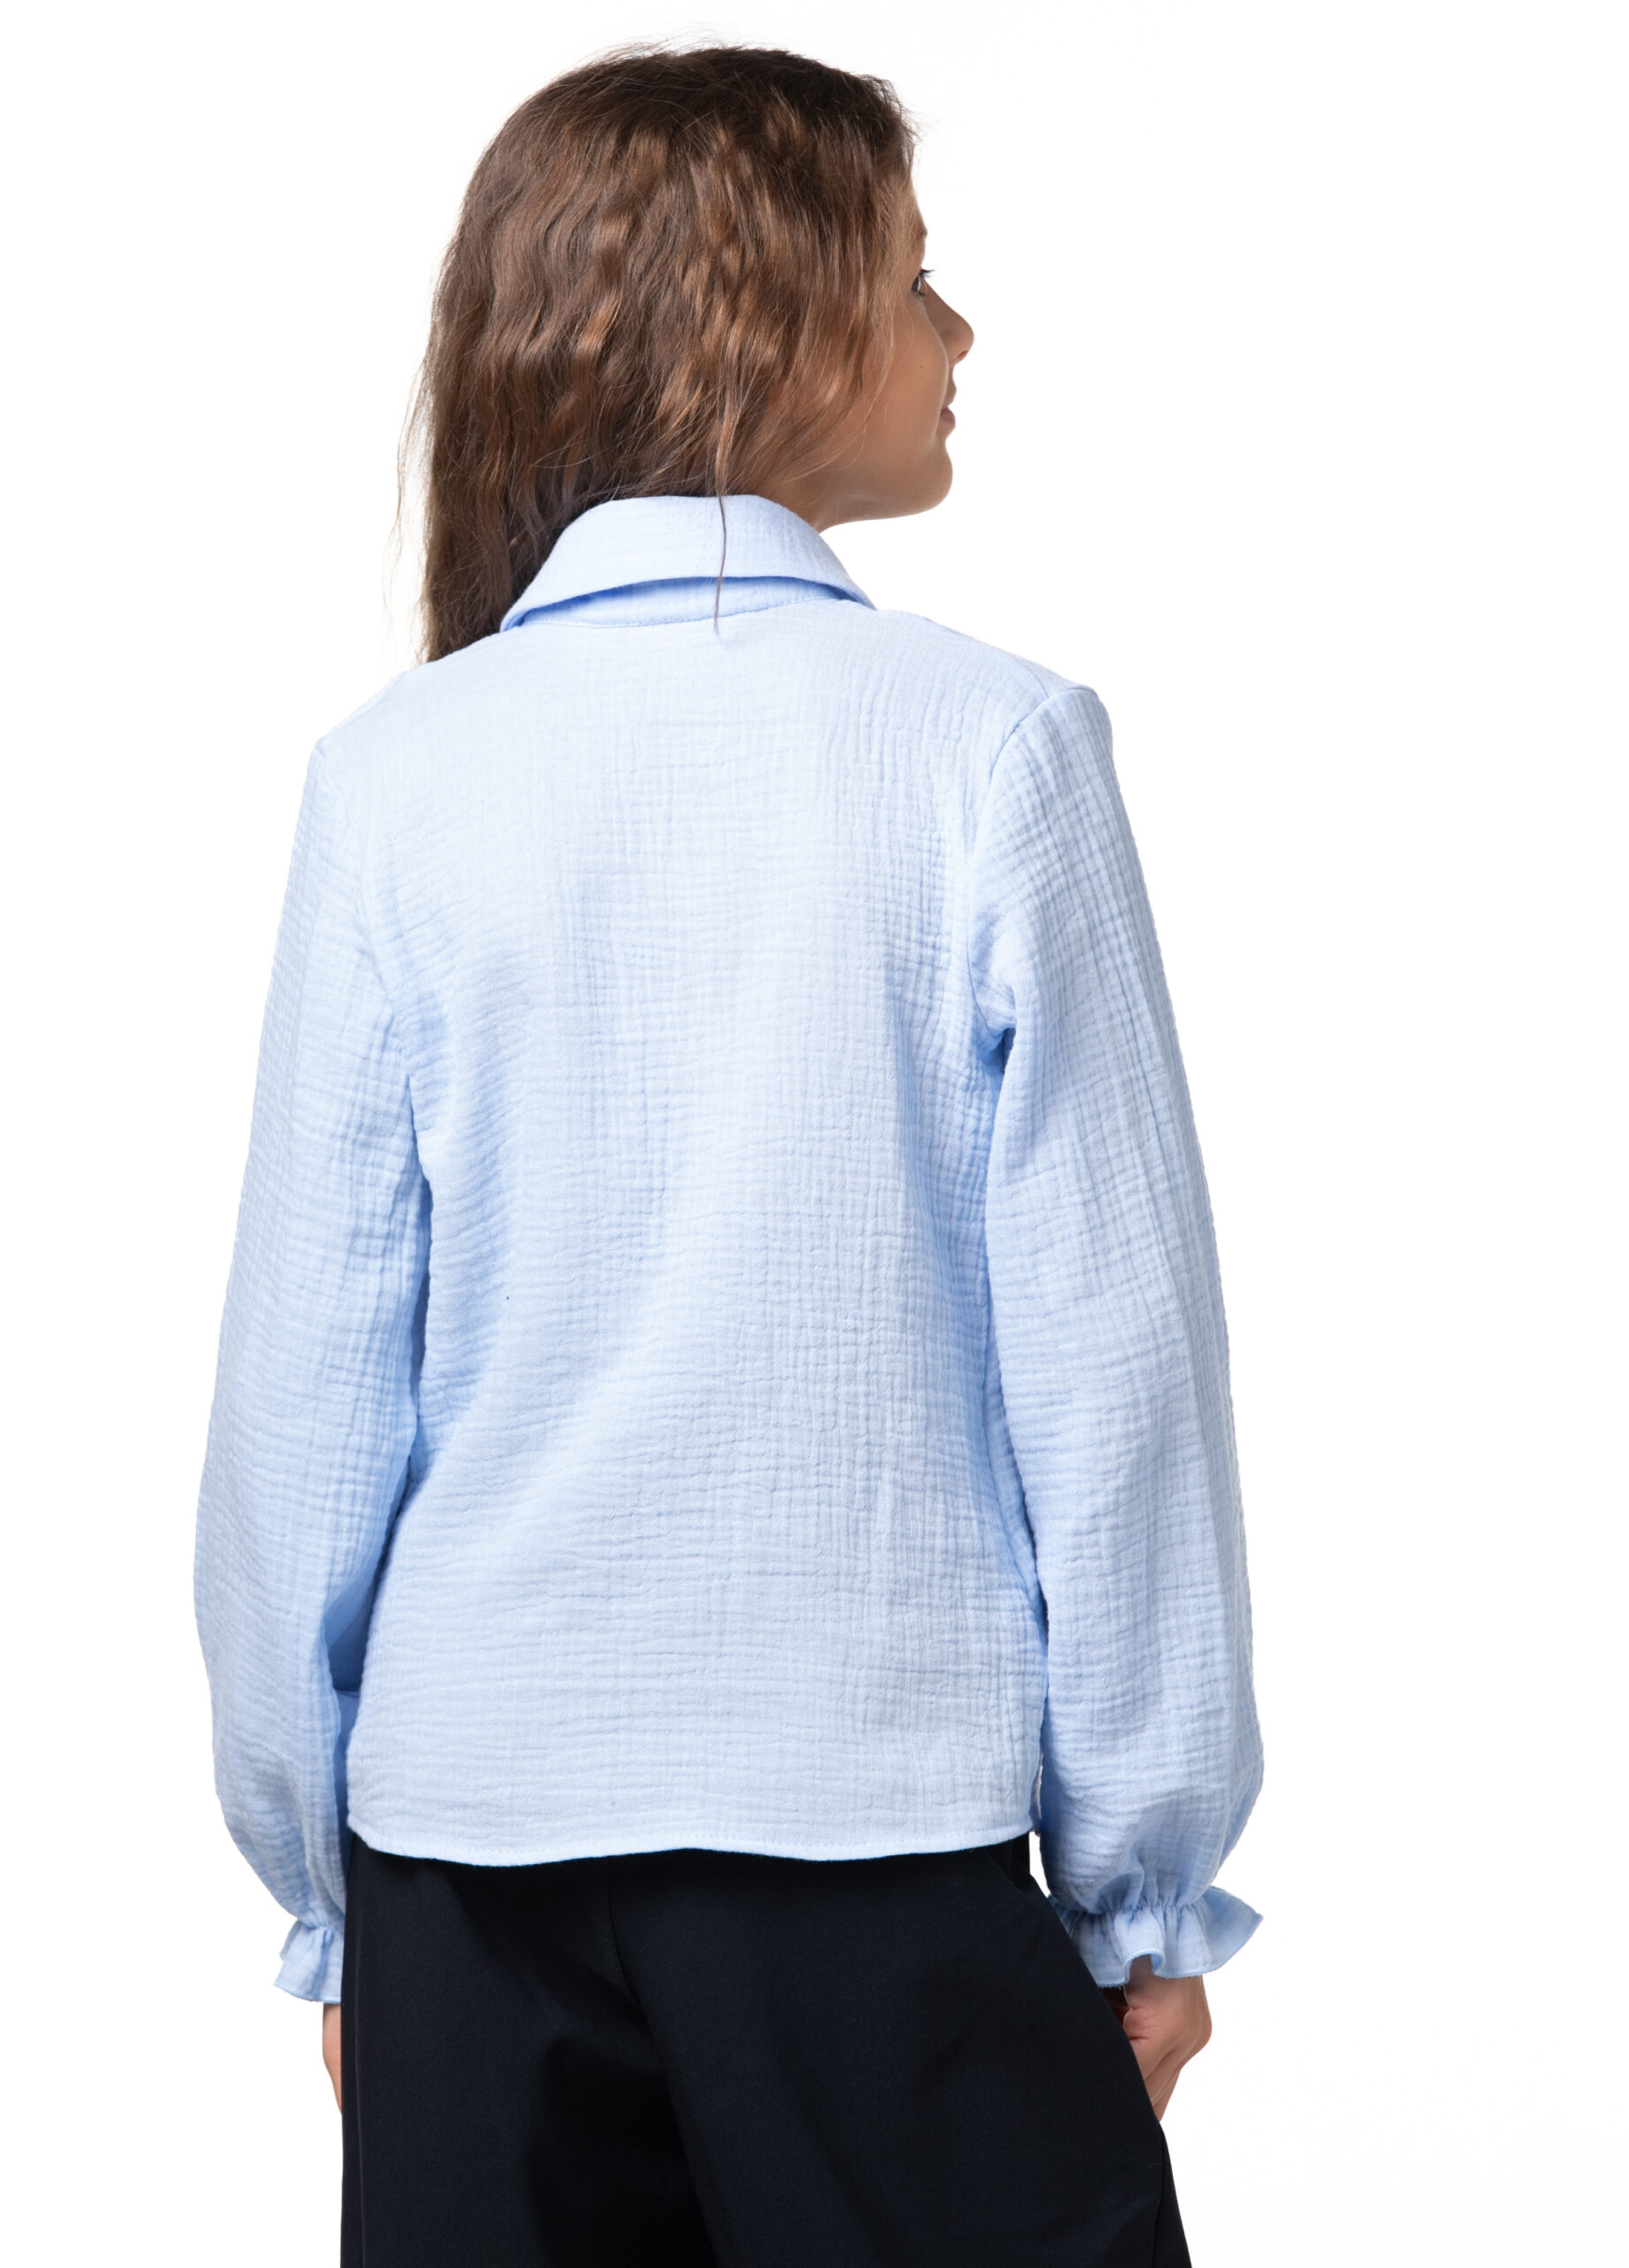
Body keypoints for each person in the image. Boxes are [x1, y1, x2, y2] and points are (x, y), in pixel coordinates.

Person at [195, 43, 1262, 2268]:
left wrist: (332, 1902)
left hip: (472, 1884)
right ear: (759, 322)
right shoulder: (993, 750)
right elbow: (1117, 1380)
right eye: (917, 276)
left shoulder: (397, 775)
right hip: (875, 1854)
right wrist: (1146, 1888)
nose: (961, 332)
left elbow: (307, 1395)